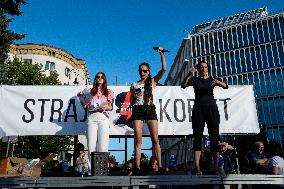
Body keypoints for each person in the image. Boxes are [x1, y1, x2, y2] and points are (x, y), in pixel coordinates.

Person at [180, 60, 228, 175]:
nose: (204, 69)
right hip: (199, 109)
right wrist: (188, 74)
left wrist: (219, 83)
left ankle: (216, 168)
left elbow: (226, 86)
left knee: (214, 138)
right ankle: (197, 168)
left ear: (208, 68)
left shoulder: (212, 79)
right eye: (201, 67)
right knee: (197, 137)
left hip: (212, 109)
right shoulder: (195, 79)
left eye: (205, 67)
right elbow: (183, 85)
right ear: (198, 69)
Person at [130, 47, 167, 172]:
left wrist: (161, 55)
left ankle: (160, 166)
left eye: (145, 71)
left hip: (150, 108)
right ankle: (137, 167)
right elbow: (131, 100)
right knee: (138, 139)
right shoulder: (134, 84)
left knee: (155, 138)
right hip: (138, 109)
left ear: (149, 71)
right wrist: (135, 99)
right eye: (140, 71)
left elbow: (163, 69)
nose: (142, 73)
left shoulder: (152, 81)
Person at [78, 72, 114, 165]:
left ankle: (102, 169)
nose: (100, 78)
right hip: (92, 117)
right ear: (95, 79)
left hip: (103, 117)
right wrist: (81, 98)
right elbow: (86, 107)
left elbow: (111, 107)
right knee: (91, 145)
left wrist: (105, 107)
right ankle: (91, 169)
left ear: (104, 79)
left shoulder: (108, 91)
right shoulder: (89, 91)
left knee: (103, 145)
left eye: (102, 77)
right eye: (98, 77)